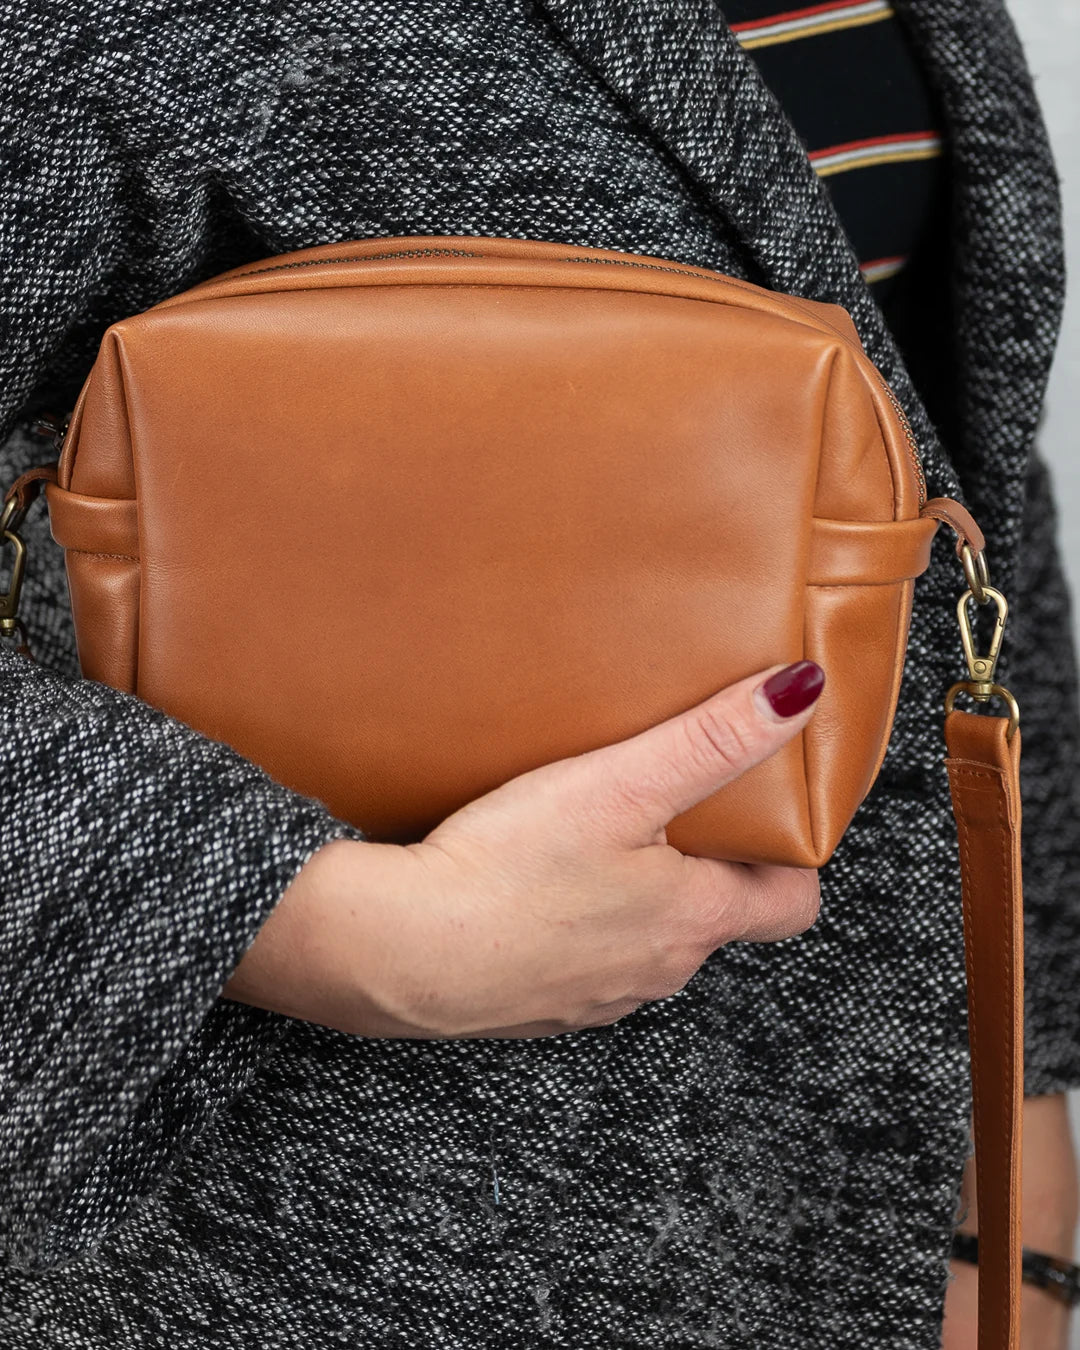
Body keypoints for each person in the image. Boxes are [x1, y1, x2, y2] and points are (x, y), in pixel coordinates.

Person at [0, 1, 1077, 1347]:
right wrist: (320, 926)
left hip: (852, 1197)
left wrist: (1017, 1118)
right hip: (321, 1235)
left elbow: (945, 472)